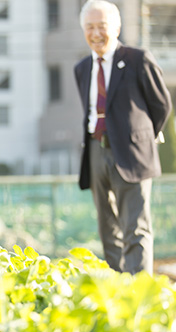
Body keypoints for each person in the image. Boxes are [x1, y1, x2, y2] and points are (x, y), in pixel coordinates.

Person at [74, 0, 172, 275]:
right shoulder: (82, 68)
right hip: (95, 150)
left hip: (132, 153)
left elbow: (161, 105)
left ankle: (140, 295)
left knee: (135, 228)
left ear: (116, 28)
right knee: (107, 229)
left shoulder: (137, 60)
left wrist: (143, 137)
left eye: (102, 26)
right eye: (89, 27)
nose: (96, 33)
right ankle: (118, 290)